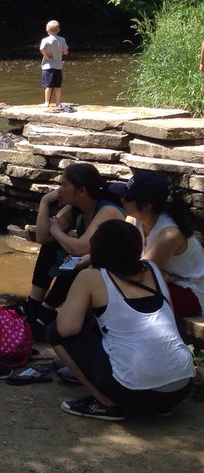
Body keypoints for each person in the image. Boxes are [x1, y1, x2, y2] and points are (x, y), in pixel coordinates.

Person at [49, 220, 195, 421]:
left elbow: (66, 329)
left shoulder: (90, 277)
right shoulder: (152, 268)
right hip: (181, 387)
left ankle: (105, 403)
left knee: (54, 331)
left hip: (134, 392)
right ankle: (158, 406)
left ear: (98, 249)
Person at [25, 163, 125, 332]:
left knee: (76, 260)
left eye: (64, 185)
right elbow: (42, 237)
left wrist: (56, 229)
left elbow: (81, 248)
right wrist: (44, 202)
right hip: (93, 264)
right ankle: (34, 304)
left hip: (114, 272)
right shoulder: (76, 209)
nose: (59, 191)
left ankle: (46, 311)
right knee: (52, 247)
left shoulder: (107, 210)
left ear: (81, 191)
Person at [111, 170, 204, 317]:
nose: (122, 200)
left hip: (188, 291)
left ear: (147, 205)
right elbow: (117, 252)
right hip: (160, 282)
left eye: (127, 198)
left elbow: (140, 269)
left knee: (121, 294)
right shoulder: (133, 219)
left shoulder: (170, 233)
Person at [40, 20, 69, 109]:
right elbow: (66, 52)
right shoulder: (62, 39)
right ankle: (58, 102)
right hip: (58, 66)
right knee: (57, 86)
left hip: (48, 66)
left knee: (48, 86)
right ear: (58, 30)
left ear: (47, 29)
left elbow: (41, 48)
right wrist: (62, 51)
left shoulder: (45, 40)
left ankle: (46, 102)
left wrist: (46, 56)